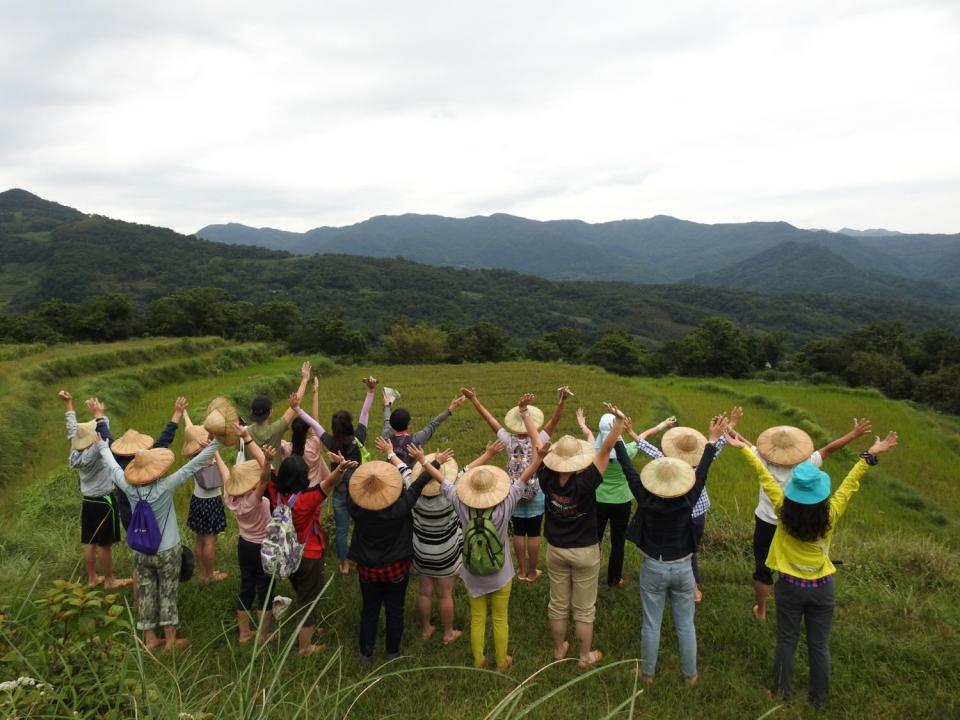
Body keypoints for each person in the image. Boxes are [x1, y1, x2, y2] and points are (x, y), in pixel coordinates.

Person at [726, 428, 898, 707]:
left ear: (793, 491)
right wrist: (871, 454)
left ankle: (780, 692)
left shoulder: (782, 509)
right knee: (819, 646)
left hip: (790, 587)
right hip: (823, 588)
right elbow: (850, 482)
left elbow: (764, 475)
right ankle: (819, 700)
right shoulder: (831, 512)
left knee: (787, 640)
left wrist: (743, 447)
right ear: (820, 492)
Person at [613, 412, 726, 686]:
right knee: (686, 625)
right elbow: (704, 469)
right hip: (684, 567)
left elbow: (629, 470)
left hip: (653, 566)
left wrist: (617, 436)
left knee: (651, 624)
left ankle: (648, 675)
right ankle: (691, 676)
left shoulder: (645, 496)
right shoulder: (690, 496)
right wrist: (711, 440)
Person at [419, 439, 543, 670]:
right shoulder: (506, 504)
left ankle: (478, 660)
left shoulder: (459, 502)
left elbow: (442, 482)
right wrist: (539, 458)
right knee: (500, 618)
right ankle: (502, 661)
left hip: (472, 572)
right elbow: (524, 479)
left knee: (477, 618)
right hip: (501, 572)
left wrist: (423, 463)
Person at [97, 430, 222, 651]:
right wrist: (216, 443)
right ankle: (171, 640)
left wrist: (102, 447)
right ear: (156, 470)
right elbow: (193, 466)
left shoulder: (128, 488)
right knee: (168, 592)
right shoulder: (165, 487)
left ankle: (150, 639)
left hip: (141, 550)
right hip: (167, 550)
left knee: (145, 591)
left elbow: (114, 468)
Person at [744, 418, 873, 621]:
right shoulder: (807, 464)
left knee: (762, 568)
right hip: (793, 524)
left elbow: (746, 446)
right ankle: (797, 603)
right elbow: (830, 449)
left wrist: (730, 431)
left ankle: (761, 610)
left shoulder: (762, 460)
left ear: (770, 448)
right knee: (793, 566)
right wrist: (854, 434)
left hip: (766, 523)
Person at [531, 402, 621, 668]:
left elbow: (538, 448)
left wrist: (526, 417)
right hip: (584, 551)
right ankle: (584, 656)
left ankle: (559, 650)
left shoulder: (545, 477)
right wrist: (617, 422)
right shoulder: (587, 481)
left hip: (556, 550)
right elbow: (605, 449)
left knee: (558, 604)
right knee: (584, 608)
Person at [628, 407, 742, 602]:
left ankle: (671, 584)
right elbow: (716, 444)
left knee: (674, 549)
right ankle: (693, 589)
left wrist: (630, 432)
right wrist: (731, 424)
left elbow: (647, 448)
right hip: (697, 512)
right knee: (691, 550)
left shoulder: (666, 461)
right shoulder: (702, 462)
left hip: (675, 512)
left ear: (674, 447)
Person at [460, 387, 570, 582]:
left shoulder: (508, 439)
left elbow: (490, 420)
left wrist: (475, 400)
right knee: (534, 532)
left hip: (513, 491)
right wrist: (562, 401)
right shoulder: (540, 439)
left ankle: (520, 570)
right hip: (536, 490)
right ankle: (532, 571)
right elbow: (554, 421)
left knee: (518, 531)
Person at [347, 436, 435, 664]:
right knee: (395, 610)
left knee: (369, 610)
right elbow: (417, 486)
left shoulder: (356, 508)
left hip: (367, 568)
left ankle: (366, 654)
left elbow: (349, 486)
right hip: (396, 568)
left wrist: (344, 469)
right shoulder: (400, 507)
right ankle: (392, 652)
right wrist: (434, 463)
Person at [267, 449, 354, 655]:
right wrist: (340, 468)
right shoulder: (306, 499)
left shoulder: (274, 491)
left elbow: (269, 467)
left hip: (288, 555)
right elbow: (329, 483)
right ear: (301, 478)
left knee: (303, 592)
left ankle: (309, 627)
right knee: (309, 602)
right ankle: (305, 647)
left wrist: (248, 438)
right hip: (309, 555)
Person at [294, 376, 376, 575]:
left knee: (341, 529)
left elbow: (313, 423)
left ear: (334, 427)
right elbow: (364, 414)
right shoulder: (358, 439)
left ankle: (344, 564)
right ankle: (361, 560)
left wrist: (297, 409)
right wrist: (370, 391)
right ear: (349, 426)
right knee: (362, 528)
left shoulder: (330, 442)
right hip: (358, 492)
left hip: (339, 491)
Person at [59, 391, 131, 589]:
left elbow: (72, 428)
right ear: (93, 438)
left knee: (89, 540)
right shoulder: (99, 448)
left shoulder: (75, 450)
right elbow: (105, 430)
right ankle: (109, 580)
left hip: (88, 500)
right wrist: (99, 413)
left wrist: (69, 404)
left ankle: (92, 578)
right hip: (104, 500)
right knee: (105, 543)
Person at [108, 396, 188, 533]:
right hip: (151, 514)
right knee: (155, 543)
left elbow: (106, 440)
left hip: (128, 516)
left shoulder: (115, 462)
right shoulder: (148, 458)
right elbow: (164, 441)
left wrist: (99, 417)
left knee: (137, 545)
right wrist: (177, 414)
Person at [223, 433, 274, 643]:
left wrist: (216, 452)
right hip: (263, 547)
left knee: (246, 586)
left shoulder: (230, 498)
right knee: (264, 589)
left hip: (244, 545)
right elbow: (265, 478)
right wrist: (268, 461)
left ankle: (244, 634)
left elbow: (225, 474)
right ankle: (263, 635)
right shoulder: (255, 499)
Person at [409, 450, 463, 645]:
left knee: (424, 591)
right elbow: (468, 470)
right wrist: (489, 453)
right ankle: (448, 633)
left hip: (421, 552)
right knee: (445, 594)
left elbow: (401, 467)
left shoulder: (412, 489)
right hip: (447, 553)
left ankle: (426, 628)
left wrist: (390, 452)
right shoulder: (452, 491)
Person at [182, 411, 230, 583]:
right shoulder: (208, 454)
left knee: (200, 538)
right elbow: (219, 434)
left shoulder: (192, 456)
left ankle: (202, 572)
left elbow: (189, 429)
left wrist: (185, 415)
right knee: (210, 541)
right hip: (211, 501)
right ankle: (209, 576)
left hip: (198, 500)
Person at [247, 361, 312, 470]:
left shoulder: (245, 433)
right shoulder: (276, 430)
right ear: (271, 411)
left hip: (251, 481)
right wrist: (305, 379)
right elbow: (295, 405)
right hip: (272, 479)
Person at [381, 387, 464, 466]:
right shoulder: (416, 440)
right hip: (409, 478)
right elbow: (433, 424)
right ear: (409, 424)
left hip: (390, 476)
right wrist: (452, 407)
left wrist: (387, 405)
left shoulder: (386, 438)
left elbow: (387, 420)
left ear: (392, 424)